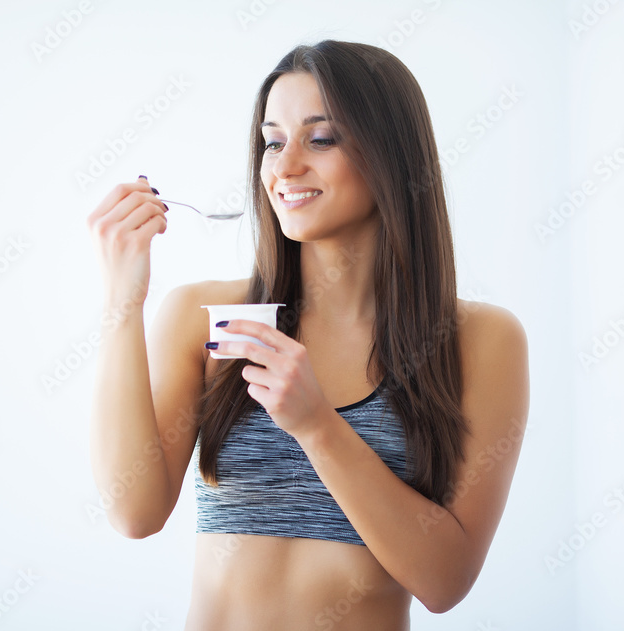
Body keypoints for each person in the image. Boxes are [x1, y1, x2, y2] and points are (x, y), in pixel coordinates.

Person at [86, 39, 529, 630]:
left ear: (391, 155)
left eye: (320, 138)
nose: (284, 166)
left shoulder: (480, 339)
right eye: (272, 141)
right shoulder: (206, 316)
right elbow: (132, 512)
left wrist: (318, 424)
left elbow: (444, 581)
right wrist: (122, 301)